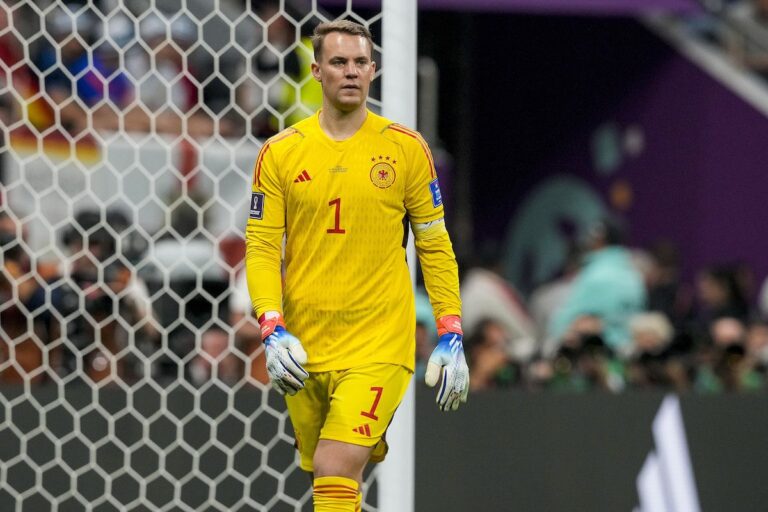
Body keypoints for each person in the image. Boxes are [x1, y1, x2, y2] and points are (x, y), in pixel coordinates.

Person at [244, 20, 468, 511]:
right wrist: (270, 326)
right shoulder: (280, 153)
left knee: (335, 462)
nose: (351, 72)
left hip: (378, 342)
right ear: (318, 69)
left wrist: (451, 329)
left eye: (361, 63)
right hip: (304, 344)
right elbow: (261, 247)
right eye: (340, 62)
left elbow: (435, 244)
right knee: (328, 480)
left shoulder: (405, 150)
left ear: (375, 70)